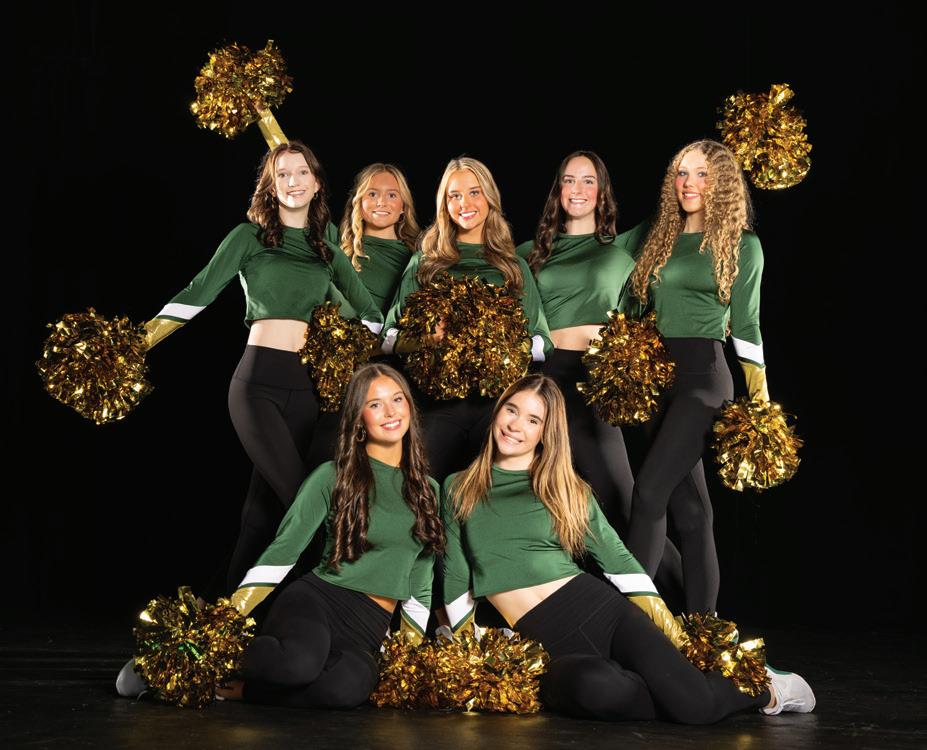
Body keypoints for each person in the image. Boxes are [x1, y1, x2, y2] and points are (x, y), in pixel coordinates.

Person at [441, 374, 814, 721]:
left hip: (602, 613)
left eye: (532, 420)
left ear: (544, 433)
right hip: (544, 641)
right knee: (594, 689)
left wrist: (673, 634)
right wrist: (467, 652)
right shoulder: (458, 488)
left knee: (695, 708)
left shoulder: (565, 488)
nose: (515, 425)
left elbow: (617, 561)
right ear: (498, 411)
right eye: (511, 410)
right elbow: (455, 575)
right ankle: (677, 692)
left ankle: (766, 690)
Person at [119, 363, 443, 709]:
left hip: (368, 627)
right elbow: (284, 550)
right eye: (375, 404)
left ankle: (240, 690)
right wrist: (222, 624)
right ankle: (184, 656)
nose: (391, 412)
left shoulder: (428, 491)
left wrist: (406, 655)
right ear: (359, 419)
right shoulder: (332, 476)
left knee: (344, 692)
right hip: (319, 602)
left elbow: (420, 581)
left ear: (410, 406)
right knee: (297, 664)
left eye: (397, 399)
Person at [143, 140, 383, 593]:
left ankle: (227, 618)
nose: (293, 182)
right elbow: (197, 293)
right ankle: (347, 598)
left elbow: (369, 316)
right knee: (303, 501)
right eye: (282, 174)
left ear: (317, 183)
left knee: (261, 513)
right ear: (270, 186)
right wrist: (137, 343)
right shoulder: (248, 238)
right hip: (257, 385)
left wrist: (354, 338)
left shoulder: (325, 248)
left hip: (305, 390)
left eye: (302, 173)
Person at [517, 150, 684, 595]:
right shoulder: (529, 254)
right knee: (543, 498)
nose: (578, 190)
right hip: (544, 381)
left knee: (622, 503)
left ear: (602, 192)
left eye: (588, 181)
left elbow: (673, 210)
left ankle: (684, 599)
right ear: (557, 190)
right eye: (569, 180)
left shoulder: (624, 249)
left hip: (596, 381)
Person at [625, 139, 768, 614]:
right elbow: (599, 250)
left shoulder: (743, 245)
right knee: (691, 512)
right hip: (657, 380)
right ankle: (703, 628)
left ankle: (626, 621)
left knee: (648, 493)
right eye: (682, 173)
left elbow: (747, 327)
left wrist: (760, 403)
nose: (689, 183)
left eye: (702, 174)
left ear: (722, 183)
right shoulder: (656, 236)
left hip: (704, 381)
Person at [382, 157, 552, 481]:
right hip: (436, 405)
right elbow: (389, 336)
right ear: (444, 205)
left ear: (490, 197)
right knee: (419, 488)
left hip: (496, 408)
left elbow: (543, 341)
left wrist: (501, 347)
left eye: (474, 192)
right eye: (454, 196)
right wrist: (425, 339)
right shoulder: (425, 263)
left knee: (488, 495)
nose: (465, 204)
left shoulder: (513, 267)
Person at [306, 163, 422, 469]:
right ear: (358, 201)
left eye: (392, 195)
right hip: (337, 377)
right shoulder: (336, 247)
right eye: (372, 193)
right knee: (324, 458)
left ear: (403, 207)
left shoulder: (420, 258)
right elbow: (305, 199)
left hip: (392, 376)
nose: (382, 201)